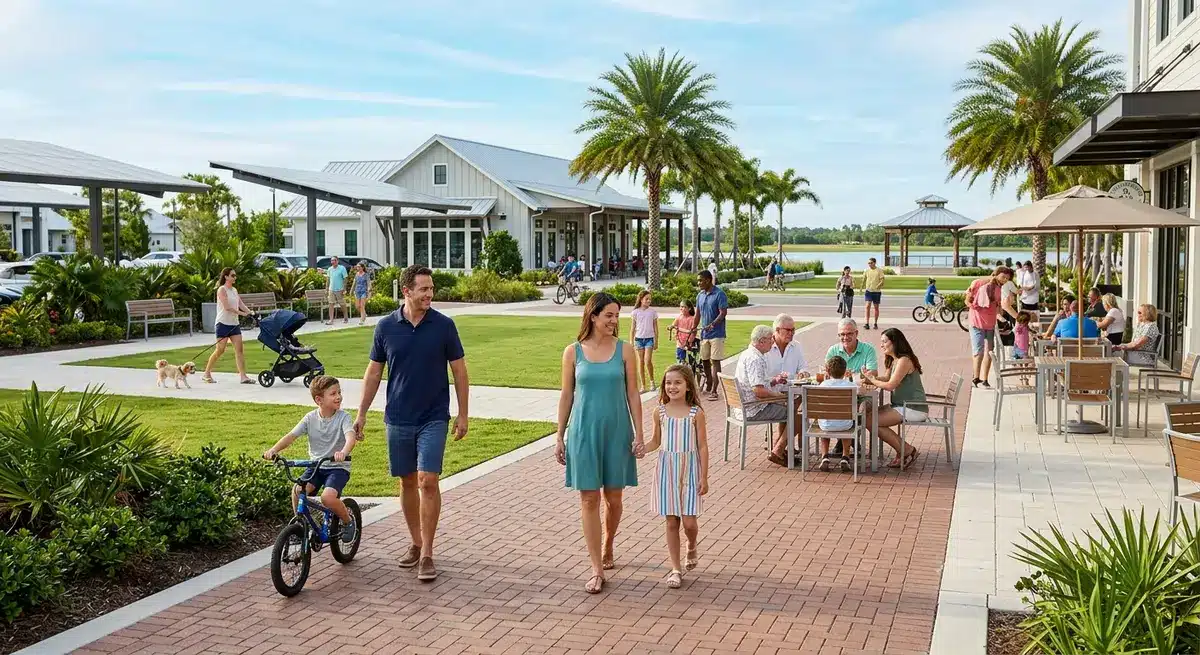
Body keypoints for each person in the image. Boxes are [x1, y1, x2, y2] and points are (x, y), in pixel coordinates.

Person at [354, 265, 469, 583]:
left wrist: (463, 413)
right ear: (406, 291)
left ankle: (429, 552)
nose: (430, 294)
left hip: (434, 416)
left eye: (431, 289)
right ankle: (415, 543)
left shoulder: (444, 326)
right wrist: (362, 413)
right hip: (398, 417)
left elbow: (459, 370)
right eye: (424, 289)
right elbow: (374, 372)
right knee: (406, 482)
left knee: (427, 480)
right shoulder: (386, 327)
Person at [554, 292, 645, 594]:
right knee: (589, 499)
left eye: (617, 316)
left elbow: (633, 394)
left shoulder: (626, 351)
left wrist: (640, 433)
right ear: (593, 316)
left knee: (614, 499)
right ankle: (596, 568)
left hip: (617, 430)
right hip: (583, 431)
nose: (614, 321)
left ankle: (609, 542)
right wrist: (559, 435)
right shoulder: (573, 352)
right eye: (609, 315)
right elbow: (566, 395)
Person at [263, 375, 360, 543]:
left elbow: (350, 437)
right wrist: (273, 450)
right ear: (319, 400)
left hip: (337, 467)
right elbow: (291, 436)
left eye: (339, 392)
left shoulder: (343, 417)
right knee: (297, 491)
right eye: (333, 393)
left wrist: (343, 452)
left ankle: (348, 522)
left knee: (328, 498)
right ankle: (303, 527)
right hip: (316, 466)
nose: (338, 397)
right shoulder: (310, 418)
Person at [646, 364, 709, 589]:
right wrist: (642, 449)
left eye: (678, 382)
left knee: (689, 522)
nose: (672, 387)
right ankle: (675, 568)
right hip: (667, 471)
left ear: (688, 386)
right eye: (668, 382)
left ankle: (691, 544)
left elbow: (702, 446)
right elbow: (655, 441)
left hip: (690, 470)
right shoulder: (659, 412)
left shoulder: (696, 413)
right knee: (672, 520)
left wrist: (704, 476)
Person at [859, 328, 924, 470]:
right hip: (900, 405)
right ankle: (904, 450)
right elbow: (886, 378)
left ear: (894, 342)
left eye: (884, 342)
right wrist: (869, 379)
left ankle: (906, 450)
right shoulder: (893, 360)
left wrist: (872, 380)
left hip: (913, 407)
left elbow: (890, 385)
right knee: (868, 416)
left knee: (870, 421)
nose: (881, 345)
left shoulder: (904, 360)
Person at [735, 327, 791, 467]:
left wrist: (774, 381)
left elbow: (757, 383)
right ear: (761, 341)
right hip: (753, 409)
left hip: (741, 407)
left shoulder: (747, 354)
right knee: (797, 413)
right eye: (771, 339)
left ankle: (779, 446)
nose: (773, 342)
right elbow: (758, 391)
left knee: (789, 407)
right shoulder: (755, 359)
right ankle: (778, 450)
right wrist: (778, 396)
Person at [764, 314, 807, 463]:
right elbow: (761, 378)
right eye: (788, 330)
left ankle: (779, 445)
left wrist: (803, 373)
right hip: (770, 395)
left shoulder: (797, 346)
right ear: (777, 330)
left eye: (793, 330)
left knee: (800, 401)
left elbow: (803, 368)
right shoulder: (766, 347)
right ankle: (780, 448)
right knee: (798, 410)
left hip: (790, 392)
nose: (791, 333)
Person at [202, 267, 254, 384]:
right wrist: (242, 314)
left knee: (239, 350)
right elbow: (227, 307)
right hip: (222, 324)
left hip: (234, 325)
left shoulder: (234, 290)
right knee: (220, 350)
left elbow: (240, 303)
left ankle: (243, 377)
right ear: (226, 277)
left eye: (235, 275)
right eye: (233, 275)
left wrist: (250, 312)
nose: (235, 277)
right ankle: (206, 373)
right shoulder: (222, 290)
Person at [965, 266, 1013, 388]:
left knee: (990, 352)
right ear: (997, 274)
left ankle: (985, 379)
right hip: (976, 323)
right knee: (978, 352)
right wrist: (975, 306)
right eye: (1003, 277)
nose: (1004, 280)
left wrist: (1001, 314)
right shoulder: (978, 283)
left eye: (1007, 279)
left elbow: (999, 309)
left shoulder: (1000, 289)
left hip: (991, 325)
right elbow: (967, 300)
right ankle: (976, 378)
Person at [815, 355, 858, 473]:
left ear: (828, 371)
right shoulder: (851, 386)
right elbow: (862, 391)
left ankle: (824, 456)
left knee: (823, 419)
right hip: (845, 425)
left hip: (825, 425)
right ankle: (845, 456)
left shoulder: (822, 385)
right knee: (849, 420)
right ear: (845, 371)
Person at [696, 270, 729, 401]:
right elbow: (697, 315)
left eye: (700, 280)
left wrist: (713, 324)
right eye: (698, 281)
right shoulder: (700, 296)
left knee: (715, 361)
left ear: (708, 280)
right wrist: (693, 329)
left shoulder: (720, 294)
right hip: (704, 334)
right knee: (704, 360)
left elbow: (723, 313)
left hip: (717, 334)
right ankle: (709, 382)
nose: (698, 283)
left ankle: (715, 389)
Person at [630, 290, 660, 392]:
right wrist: (631, 341)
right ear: (641, 299)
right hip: (638, 340)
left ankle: (652, 382)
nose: (648, 301)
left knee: (647, 361)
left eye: (650, 299)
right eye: (646, 299)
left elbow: (656, 328)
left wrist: (656, 341)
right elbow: (633, 328)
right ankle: (643, 385)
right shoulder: (635, 312)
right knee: (641, 362)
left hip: (649, 339)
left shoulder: (653, 312)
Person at [671, 299, 699, 364]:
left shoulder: (692, 319)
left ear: (689, 308)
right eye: (681, 307)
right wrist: (671, 327)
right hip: (680, 342)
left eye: (684, 307)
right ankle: (682, 369)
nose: (682, 308)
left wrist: (690, 341)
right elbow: (673, 325)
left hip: (689, 343)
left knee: (691, 360)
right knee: (680, 359)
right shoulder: (679, 317)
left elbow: (694, 332)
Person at [325, 256, 350, 325]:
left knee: (342, 304)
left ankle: (345, 317)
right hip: (331, 289)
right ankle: (331, 320)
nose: (333, 262)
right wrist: (326, 288)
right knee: (331, 304)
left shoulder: (342, 268)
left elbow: (345, 278)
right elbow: (328, 279)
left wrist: (344, 288)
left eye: (334, 260)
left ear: (337, 261)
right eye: (332, 260)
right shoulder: (329, 269)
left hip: (340, 289)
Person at [862, 257, 885, 330]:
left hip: (876, 292)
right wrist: (861, 287)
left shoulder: (879, 270)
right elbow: (864, 279)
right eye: (868, 263)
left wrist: (878, 286)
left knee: (876, 308)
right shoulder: (866, 270)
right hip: (868, 291)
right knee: (867, 306)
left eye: (871, 263)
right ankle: (867, 323)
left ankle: (875, 323)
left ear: (874, 263)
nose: (869, 264)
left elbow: (882, 280)